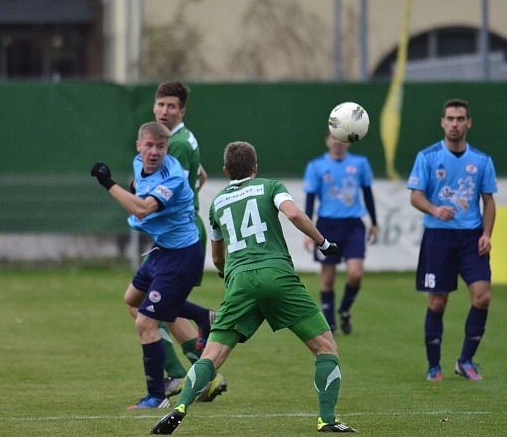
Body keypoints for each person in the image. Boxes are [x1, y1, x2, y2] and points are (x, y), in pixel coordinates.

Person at [152, 141, 357, 434]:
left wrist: (229, 275)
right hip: (277, 276)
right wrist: (324, 244)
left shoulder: (218, 203)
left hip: (240, 282)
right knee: (325, 347)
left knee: (212, 356)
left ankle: (181, 406)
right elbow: (295, 214)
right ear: (255, 167)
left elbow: (217, 255)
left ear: (226, 170)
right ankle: (327, 419)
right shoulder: (270, 187)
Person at [90, 122, 219, 409]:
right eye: (149, 146)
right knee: (132, 300)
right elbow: (197, 175)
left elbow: (142, 207)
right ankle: (203, 316)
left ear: (167, 149)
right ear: (139, 146)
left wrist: (108, 183)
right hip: (162, 250)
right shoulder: (139, 164)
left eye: (160, 147)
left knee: (145, 322)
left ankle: (156, 396)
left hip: (182, 256)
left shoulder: (171, 177)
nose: (153, 152)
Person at [407, 98, 497, 382]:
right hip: (438, 237)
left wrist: (486, 234)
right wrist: (434, 209)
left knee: (482, 297)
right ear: (442, 123)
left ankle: (466, 361)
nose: (455, 124)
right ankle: (434, 366)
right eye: (450, 119)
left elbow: (489, 201)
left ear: (468, 123)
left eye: (460, 119)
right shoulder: (428, 157)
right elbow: (415, 195)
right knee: (437, 303)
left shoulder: (482, 160)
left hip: (471, 237)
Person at [152, 81, 220, 398]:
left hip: (179, 233)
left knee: (147, 305)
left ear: (182, 110)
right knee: (165, 307)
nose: (164, 111)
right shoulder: (181, 139)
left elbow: (161, 194)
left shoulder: (175, 145)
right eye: (160, 105)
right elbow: (200, 176)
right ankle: (200, 375)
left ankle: (179, 375)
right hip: (183, 228)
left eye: (171, 107)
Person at [303, 132, 378, 335]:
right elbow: (310, 200)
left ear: (348, 142)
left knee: (355, 274)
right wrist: (308, 230)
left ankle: (344, 309)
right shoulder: (316, 166)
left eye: (342, 139)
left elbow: (368, 193)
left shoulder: (360, 163)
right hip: (327, 225)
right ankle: (330, 323)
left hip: (354, 225)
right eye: (334, 138)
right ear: (327, 140)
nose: (337, 143)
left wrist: (375, 222)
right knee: (328, 277)